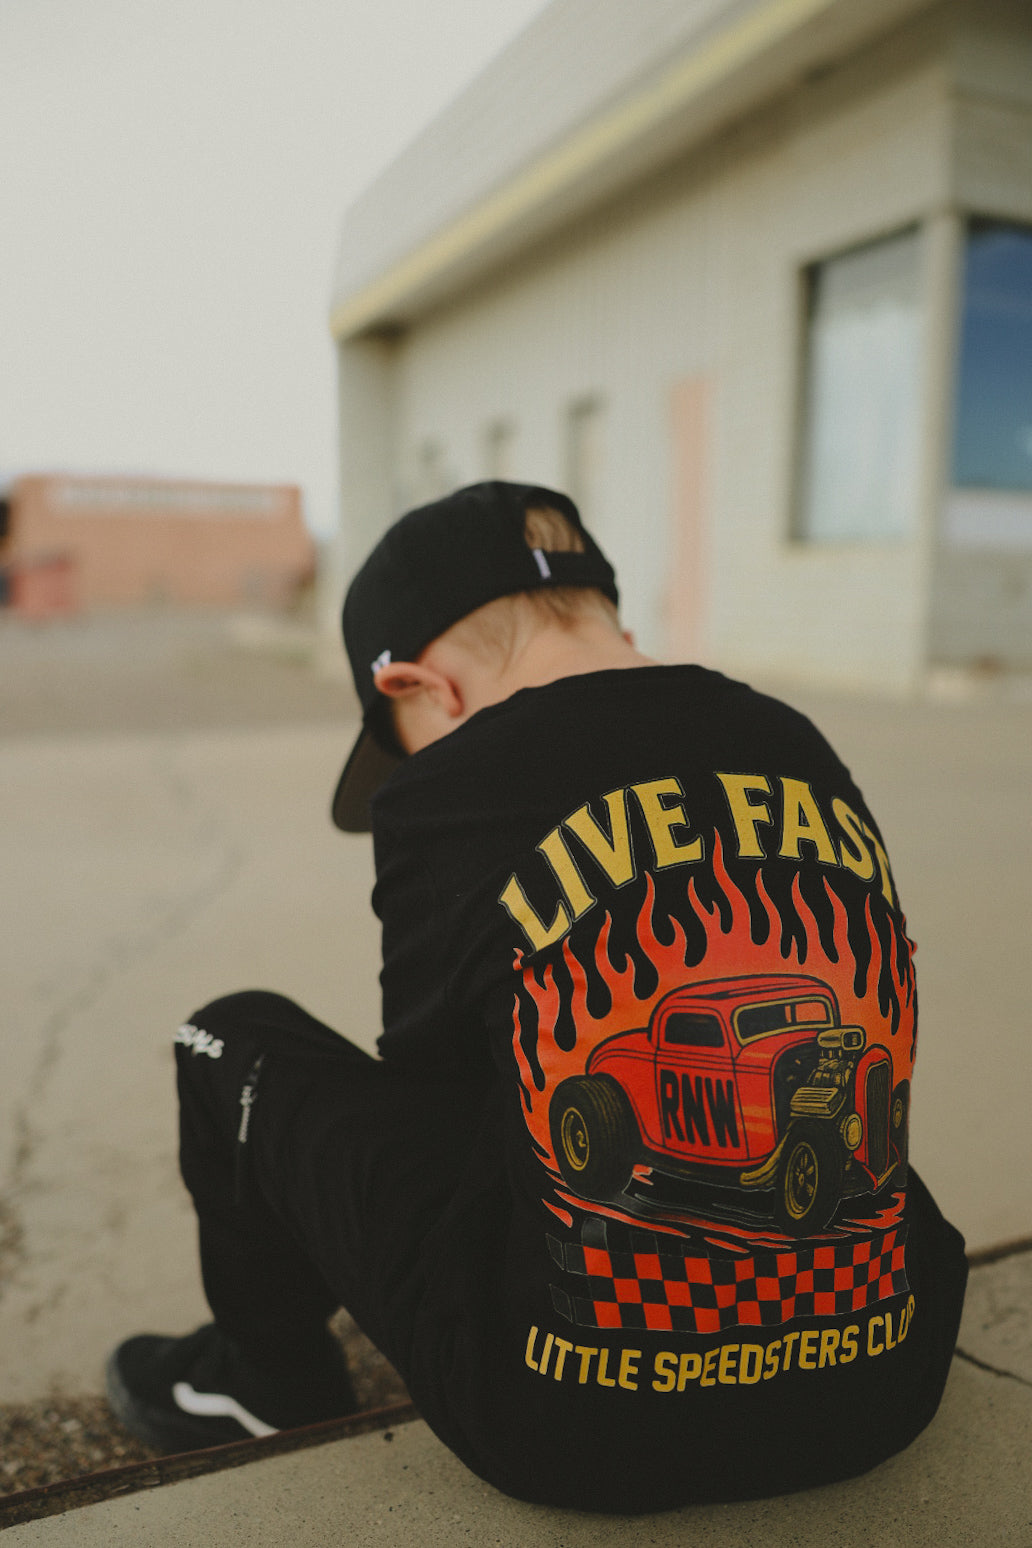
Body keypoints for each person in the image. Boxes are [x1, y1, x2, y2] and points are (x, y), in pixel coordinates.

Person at [107, 481, 967, 1512]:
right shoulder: (796, 743)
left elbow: (437, 1105)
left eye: (403, 737)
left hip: (566, 1430)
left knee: (226, 1032)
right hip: (886, 1381)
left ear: (426, 687)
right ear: (615, 626)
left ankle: (264, 1383)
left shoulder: (449, 787)